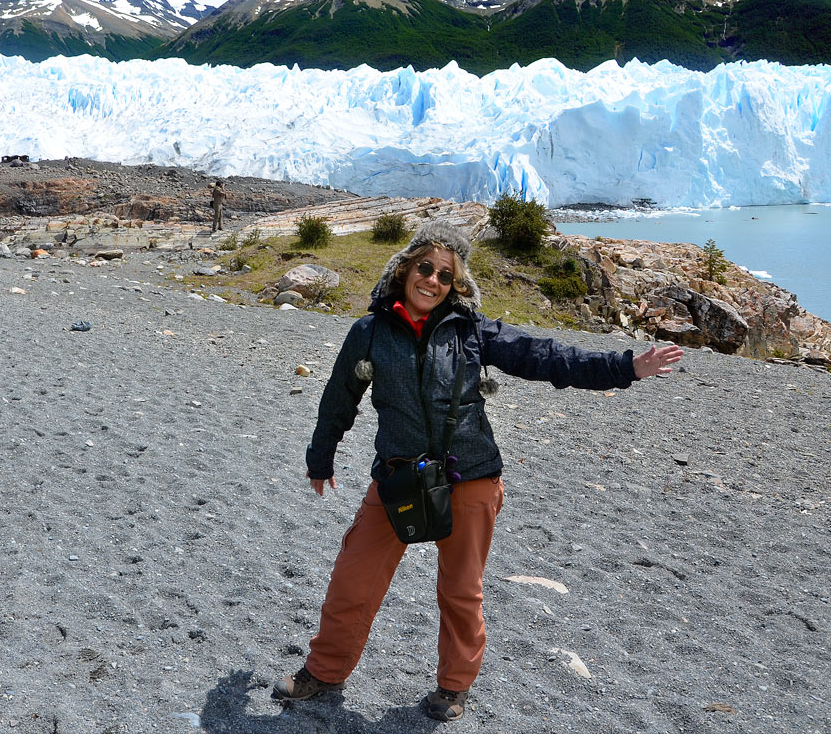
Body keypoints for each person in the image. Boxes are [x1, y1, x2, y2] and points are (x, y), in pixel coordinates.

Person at [272, 220, 684, 722]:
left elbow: (545, 357)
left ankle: (453, 686)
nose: (433, 281)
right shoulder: (369, 333)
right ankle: (325, 670)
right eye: (425, 268)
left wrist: (626, 368)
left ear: (455, 284)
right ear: (403, 269)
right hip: (398, 478)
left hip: (470, 478)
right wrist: (322, 457)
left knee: (460, 590)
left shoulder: (471, 331)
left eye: (445, 275)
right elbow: (339, 398)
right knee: (352, 580)